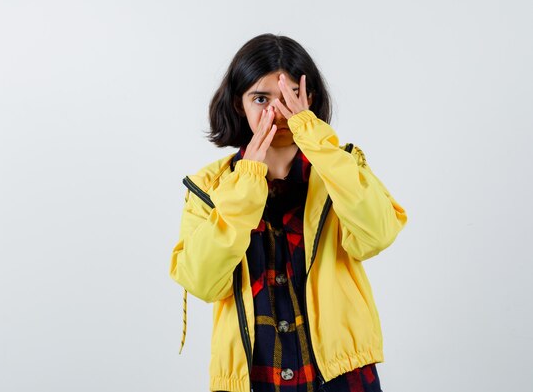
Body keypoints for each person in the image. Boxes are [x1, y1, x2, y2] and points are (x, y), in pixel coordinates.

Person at [169, 33, 408, 392]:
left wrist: (316, 140)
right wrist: (247, 181)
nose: (277, 113)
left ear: (308, 98)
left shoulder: (341, 168)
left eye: (290, 97)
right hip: (252, 377)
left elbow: (376, 235)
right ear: (240, 105)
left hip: (341, 375)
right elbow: (203, 281)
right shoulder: (210, 187)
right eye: (261, 98)